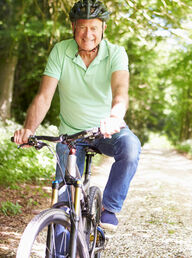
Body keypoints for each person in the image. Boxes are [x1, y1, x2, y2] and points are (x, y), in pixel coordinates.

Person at [13, 0, 141, 232]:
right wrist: (29, 129)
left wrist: (114, 118)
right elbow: (44, 97)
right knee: (63, 202)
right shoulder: (61, 51)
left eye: (94, 27)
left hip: (106, 130)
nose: (88, 34)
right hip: (71, 135)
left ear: (103, 28)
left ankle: (109, 208)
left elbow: (120, 93)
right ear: (73, 27)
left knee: (131, 147)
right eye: (82, 27)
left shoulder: (116, 53)